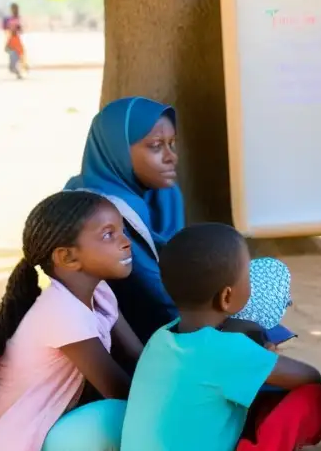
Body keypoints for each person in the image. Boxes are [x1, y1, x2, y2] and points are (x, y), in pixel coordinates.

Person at [113, 223, 321, 451]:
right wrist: (262, 356)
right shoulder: (227, 351)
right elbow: (309, 377)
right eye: (247, 274)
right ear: (227, 296)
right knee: (310, 402)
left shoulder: (162, 337)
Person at [64, 96, 294, 344]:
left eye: (172, 144)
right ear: (116, 150)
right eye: (155, 146)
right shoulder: (97, 209)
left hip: (177, 299)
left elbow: (182, 264)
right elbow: (152, 290)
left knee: (265, 276)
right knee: (248, 300)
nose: (170, 156)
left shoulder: (164, 194)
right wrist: (223, 312)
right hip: (136, 322)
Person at [0, 191, 143, 451]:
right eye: (109, 234)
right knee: (120, 417)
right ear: (67, 257)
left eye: (122, 231)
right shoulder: (62, 312)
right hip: (17, 442)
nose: (125, 242)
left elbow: (139, 354)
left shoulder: (100, 292)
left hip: (52, 421)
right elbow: (119, 389)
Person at [2, 3, 25, 79]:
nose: (14, 10)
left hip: (15, 39)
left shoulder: (17, 19)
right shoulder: (9, 19)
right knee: (15, 56)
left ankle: (17, 71)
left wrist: (17, 28)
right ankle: (16, 70)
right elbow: (7, 30)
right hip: (12, 39)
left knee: (18, 56)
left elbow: (20, 30)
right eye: (13, 8)